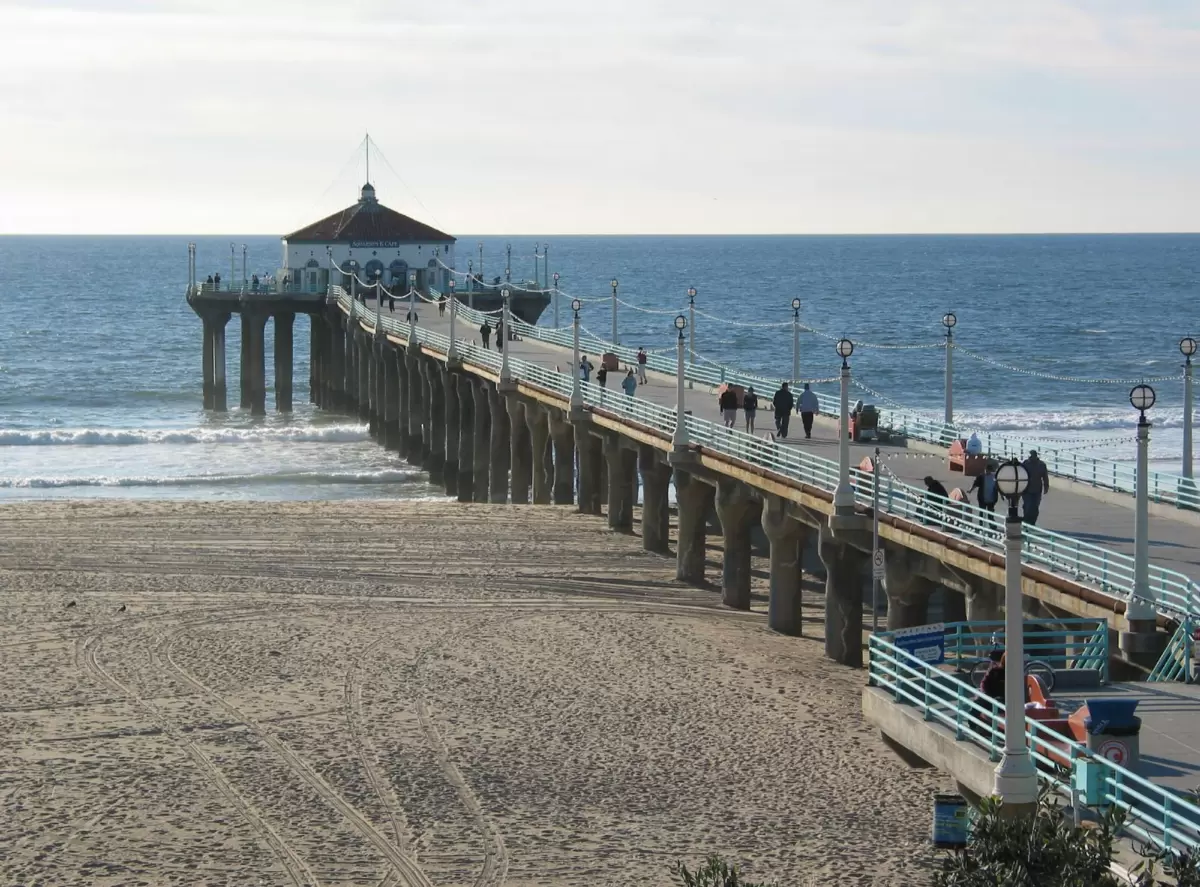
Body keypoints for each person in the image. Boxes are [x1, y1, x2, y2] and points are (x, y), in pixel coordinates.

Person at [1022, 450, 1050, 525]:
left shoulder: (1041, 465)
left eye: (1032, 455)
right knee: (1027, 506)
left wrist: (1046, 486)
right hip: (1026, 489)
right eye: (1030, 455)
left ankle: (1032, 522)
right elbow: (1021, 474)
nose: (1031, 457)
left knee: (1035, 507)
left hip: (1037, 489)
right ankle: (1026, 521)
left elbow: (1045, 476)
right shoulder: (1025, 463)